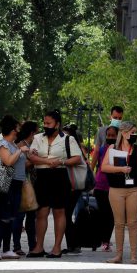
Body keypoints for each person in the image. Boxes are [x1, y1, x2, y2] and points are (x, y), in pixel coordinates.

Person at [27, 110, 73, 258]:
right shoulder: (37, 138)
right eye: (44, 123)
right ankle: (38, 247)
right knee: (41, 212)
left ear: (57, 124)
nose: (45, 126)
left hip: (60, 175)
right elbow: (31, 157)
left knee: (59, 211)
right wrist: (47, 161)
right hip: (42, 176)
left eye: (49, 123)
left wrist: (61, 161)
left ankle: (57, 247)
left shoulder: (67, 139)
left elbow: (78, 159)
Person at [101, 121, 137, 264]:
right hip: (116, 189)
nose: (134, 135)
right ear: (124, 133)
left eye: (135, 132)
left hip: (134, 189)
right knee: (119, 223)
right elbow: (104, 167)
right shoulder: (113, 148)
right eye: (132, 132)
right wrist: (121, 169)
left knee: (132, 223)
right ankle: (118, 255)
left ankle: (133, 255)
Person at [0, 115, 30, 261]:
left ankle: (6, 249)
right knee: (3, 217)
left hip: (16, 183)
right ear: (13, 129)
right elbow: (8, 162)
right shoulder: (3, 144)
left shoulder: (13, 145)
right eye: (18, 127)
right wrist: (20, 151)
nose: (19, 130)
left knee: (11, 217)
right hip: (6, 183)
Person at [13, 121, 39, 255]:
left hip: (31, 184)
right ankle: (17, 246)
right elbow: (19, 166)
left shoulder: (30, 145)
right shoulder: (21, 146)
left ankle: (32, 245)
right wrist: (34, 161)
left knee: (31, 216)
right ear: (32, 133)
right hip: (23, 183)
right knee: (20, 215)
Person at [60, 123, 85, 254]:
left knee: (65, 215)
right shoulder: (76, 146)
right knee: (66, 215)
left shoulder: (71, 147)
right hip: (74, 185)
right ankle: (73, 244)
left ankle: (74, 244)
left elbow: (75, 162)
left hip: (72, 185)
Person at [92, 125, 118, 252]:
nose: (110, 137)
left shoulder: (120, 150)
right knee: (103, 214)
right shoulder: (102, 149)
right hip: (100, 185)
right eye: (109, 135)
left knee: (111, 215)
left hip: (114, 186)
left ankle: (106, 240)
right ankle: (102, 240)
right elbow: (97, 161)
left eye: (113, 135)